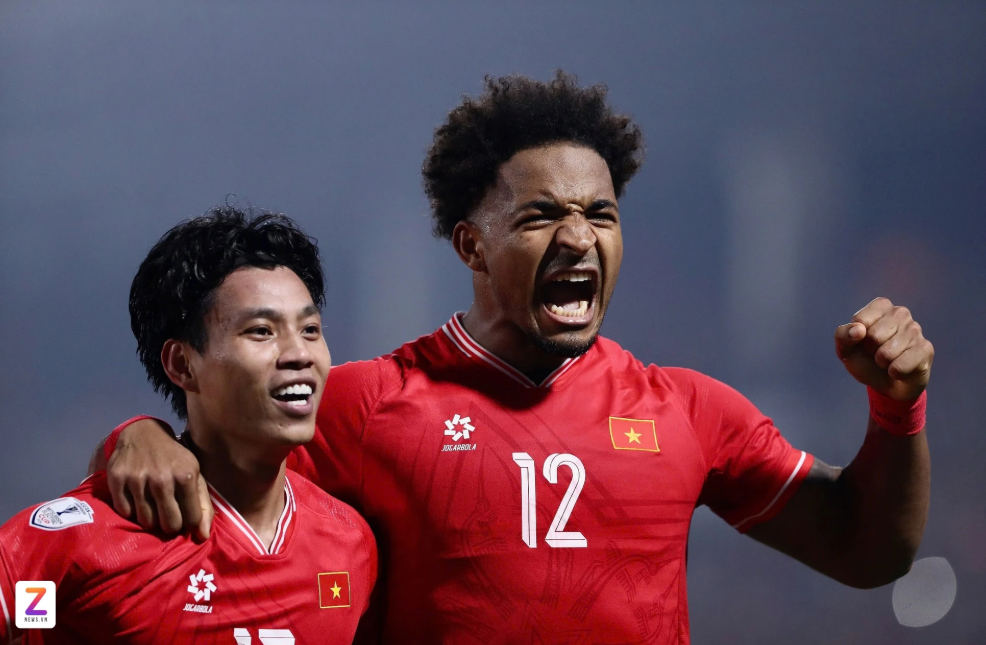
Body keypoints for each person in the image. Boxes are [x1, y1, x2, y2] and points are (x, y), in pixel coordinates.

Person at [93, 74, 932, 643]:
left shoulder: (686, 409)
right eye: (541, 215)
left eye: (600, 213)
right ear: (472, 244)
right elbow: (214, 478)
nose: (579, 236)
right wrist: (140, 436)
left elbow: (868, 550)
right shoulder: (363, 404)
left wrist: (897, 409)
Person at [0, 208, 376, 643]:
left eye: (310, 329)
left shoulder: (349, 545)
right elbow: (31, 610)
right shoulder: (85, 542)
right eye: (261, 331)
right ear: (182, 365)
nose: (299, 354)